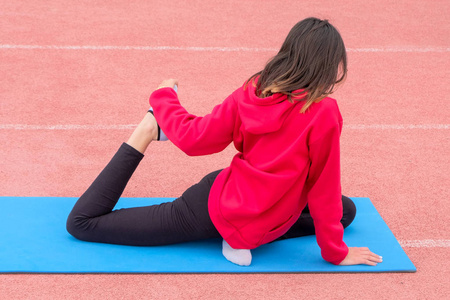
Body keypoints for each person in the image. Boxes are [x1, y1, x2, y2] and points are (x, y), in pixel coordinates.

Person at [67, 17, 382, 267]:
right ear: (327, 67)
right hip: (213, 210)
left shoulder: (255, 89)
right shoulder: (322, 111)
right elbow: (323, 184)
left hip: (244, 196)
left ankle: (248, 234)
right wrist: (336, 253)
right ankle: (147, 130)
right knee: (83, 224)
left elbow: (196, 138)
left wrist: (166, 96)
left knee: (346, 212)